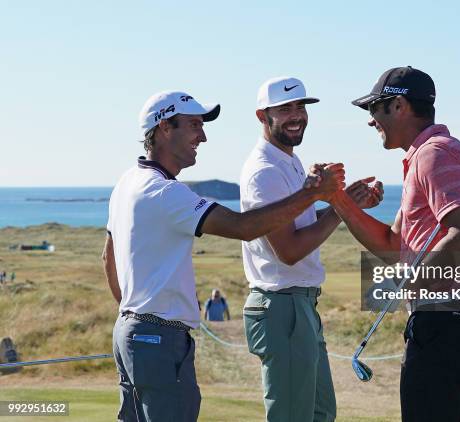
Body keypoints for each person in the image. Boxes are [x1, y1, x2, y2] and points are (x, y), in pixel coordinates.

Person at [102, 90, 345, 422]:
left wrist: (131, 316)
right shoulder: (165, 192)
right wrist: (312, 193)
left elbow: (108, 257)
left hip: (131, 332)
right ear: (164, 128)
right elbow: (243, 226)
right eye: (193, 125)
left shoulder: (127, 182)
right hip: (158, 337)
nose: (202, 136)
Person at [318, 66, 460, 422]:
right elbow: (393, 245)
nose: (371, 120)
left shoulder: (433, 154)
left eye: (374, 108)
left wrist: (412, 280)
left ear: (399, 105)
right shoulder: (429, 155)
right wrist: (339, 201)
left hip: (449, 320)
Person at [240, 76, 382, 422]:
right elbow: (289, 250)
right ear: (263, 115)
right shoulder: (264, 172)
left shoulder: (288, 162)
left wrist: (346, 202)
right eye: (285, 108)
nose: (296, 115)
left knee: (319, 413)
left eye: (301, 106)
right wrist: (337, 209)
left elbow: (298, 224)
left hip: (298, 306)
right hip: (281, 306)